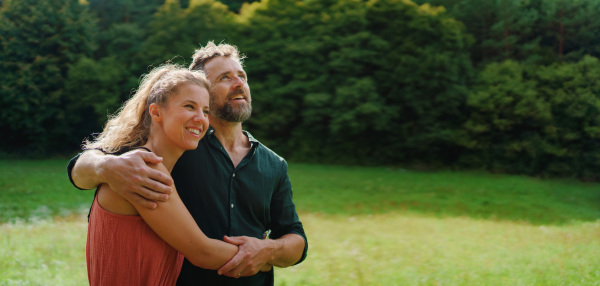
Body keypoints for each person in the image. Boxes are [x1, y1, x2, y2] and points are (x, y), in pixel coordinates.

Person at [67, 42, 308, 285]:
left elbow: (296, 238)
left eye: (242, 76)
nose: (238, 83)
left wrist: (268, 251)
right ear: (202, 88)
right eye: (225, 77)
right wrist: (106, 167)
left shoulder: (274, 164)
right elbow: (83, 163)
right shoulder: (174, 145)